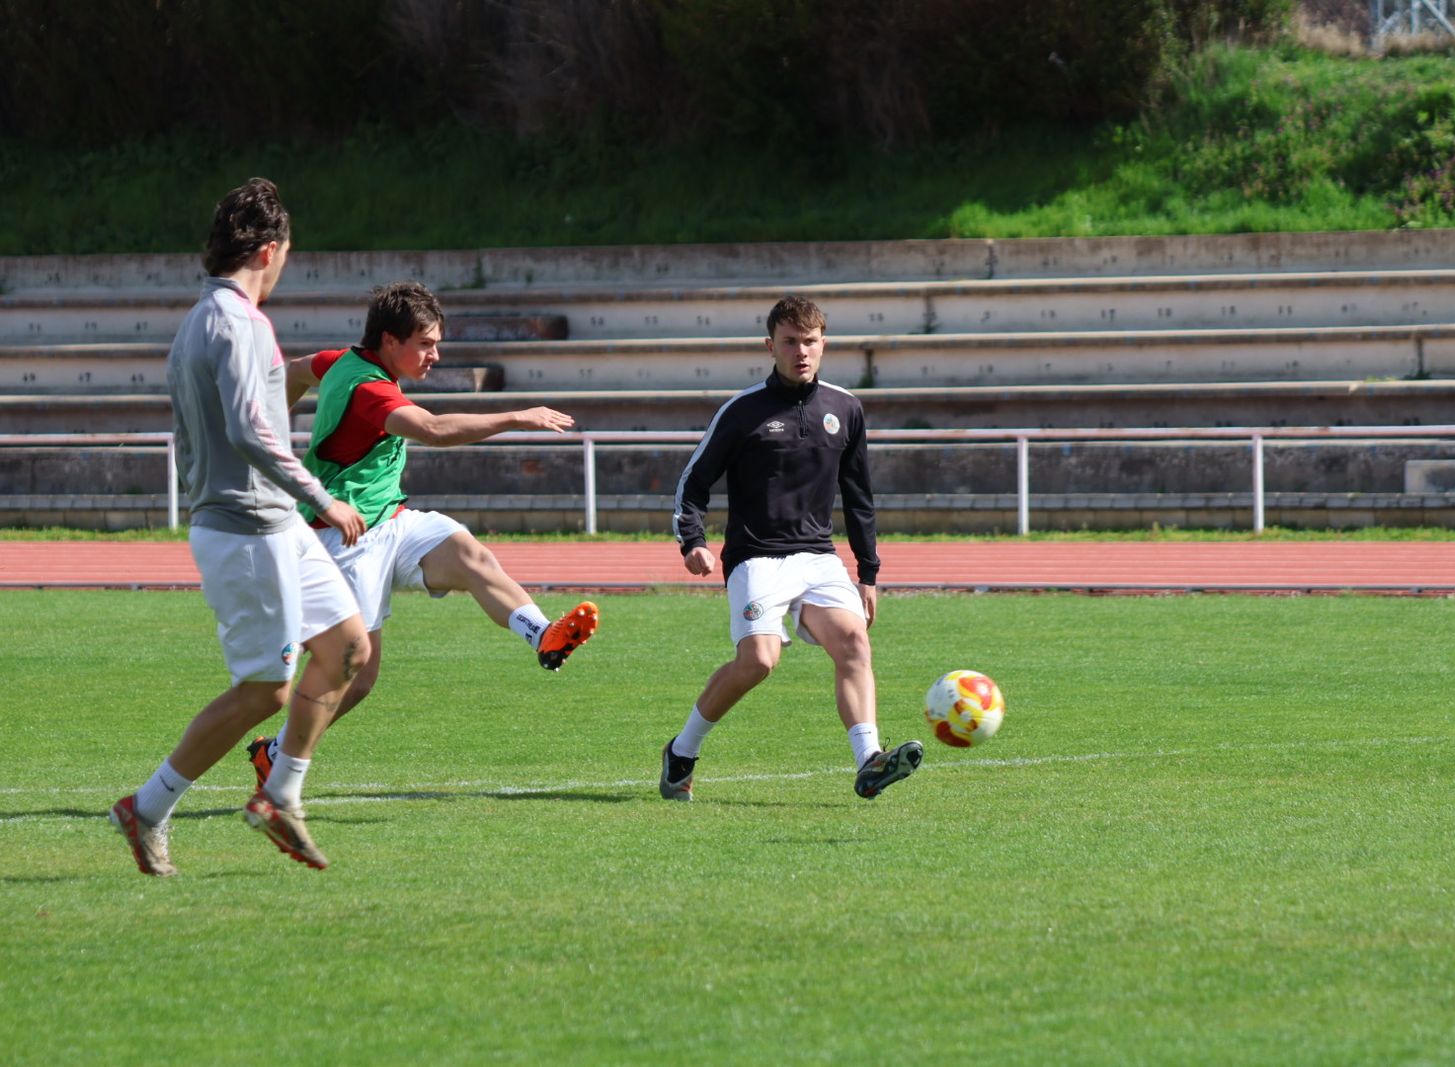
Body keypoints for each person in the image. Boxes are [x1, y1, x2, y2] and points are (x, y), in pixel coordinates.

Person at [110, 177, 371, 876]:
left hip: (269, 521)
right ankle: (149, 805)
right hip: (246, 528)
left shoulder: (203, 320)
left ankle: (279, 795)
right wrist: (325, 498)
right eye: (285, 253)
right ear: (268, 249)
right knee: (265, 689)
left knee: (348, 648)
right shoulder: (234, 321)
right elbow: (250, 428)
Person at [244, 281, 599, 786]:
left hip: (392, 520)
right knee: (358, 678)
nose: (436, 354)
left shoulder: (340, 360)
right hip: (344, 536)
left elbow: (295, 372)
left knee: (468, 554)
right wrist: (517, 416)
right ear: (391, 340)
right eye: (426, 343)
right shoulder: (368, 389)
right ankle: (276, 755)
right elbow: (432, 430)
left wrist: (272, 423)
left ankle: (544, 637)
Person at [662, 295, 921, 801]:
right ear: (770, 346)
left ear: (824, 344)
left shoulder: (845, 408)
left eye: (809, 341)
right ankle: (682, 750)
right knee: (759, 660)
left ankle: (870, 760)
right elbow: (693, 482)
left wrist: (868, 572)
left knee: (853, 643)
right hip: (755, 555)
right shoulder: (741, 411)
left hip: (818, 556)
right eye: (789, 341)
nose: (800, 351)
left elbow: (859, 497)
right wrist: (692, 541)